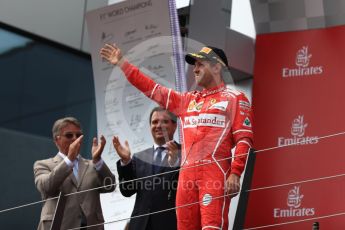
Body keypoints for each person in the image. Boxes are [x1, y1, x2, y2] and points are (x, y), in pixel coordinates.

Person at [100, 44, 253, 230]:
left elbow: (244, 139)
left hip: (215, 173)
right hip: (186, 178)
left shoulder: (235, 98)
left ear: (216, 67)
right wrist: (123, 64)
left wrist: (236, 173)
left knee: (212, 226)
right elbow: (151, 88)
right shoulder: (187, 101)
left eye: (200, 64)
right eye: (194, 65)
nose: (195, 69)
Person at [33, 117, 116, 230]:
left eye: (78, 135)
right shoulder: (43, 165)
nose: (75, 139)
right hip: (59, 226)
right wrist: (69, 160)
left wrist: (98, 161)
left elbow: (110, 186)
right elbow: (46, 187)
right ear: (57, 140)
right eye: (69, 135)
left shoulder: (92, 165)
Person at [114, 107, 180, 230]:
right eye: (154, 122)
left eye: (165, 121)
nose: (159, 125)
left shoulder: (185, 153)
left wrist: (175, 162)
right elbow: (127, 191)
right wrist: (126, 162)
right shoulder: (140, 157)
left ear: (175, 126)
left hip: (171, 224)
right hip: (140, 225)